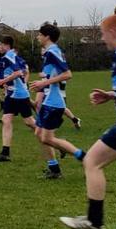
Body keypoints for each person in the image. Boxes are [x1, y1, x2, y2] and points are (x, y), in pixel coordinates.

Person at [60, 14, 116, 229]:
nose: (101, 38)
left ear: (113, 32)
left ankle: (95, 221)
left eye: (102, 33)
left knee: (92, 161)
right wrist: (111, 95)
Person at [28, 23, 85, 179]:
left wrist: (44, 83)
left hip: (54, 102)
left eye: (40, 34)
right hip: (48, 100)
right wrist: (43, 81)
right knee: (39, 133)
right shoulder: (50, 53)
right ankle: (54, 169)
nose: (38, 37)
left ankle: (82, 156)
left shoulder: (53, 52)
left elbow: (67, 74)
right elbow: (54, 75)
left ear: (47, 36)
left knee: (47, 138)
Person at [0, 35, 35, 162]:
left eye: (0, 44)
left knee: (29, 122)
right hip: (13, 94)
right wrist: (7, 83)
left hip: (18, 94)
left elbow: (18, 73)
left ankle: (52, 140)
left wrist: (2, 81)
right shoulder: (14, 56)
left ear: (6, 45)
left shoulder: (9, 56)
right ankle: (5, 153)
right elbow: (23, 71)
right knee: (6, 120)